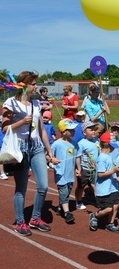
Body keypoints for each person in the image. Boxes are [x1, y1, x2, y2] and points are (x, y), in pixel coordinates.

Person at [2, 71, 59, 236]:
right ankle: (20, 222)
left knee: (43, 185)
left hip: (36, 147)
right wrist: (21, 122)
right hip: (20, 148)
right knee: (21, 188)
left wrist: (50, 152)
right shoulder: (11, 103)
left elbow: (41, 130)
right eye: (33, 84)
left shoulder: (36, 103)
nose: (36, 86)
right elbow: (5, 128)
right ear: (24, 85)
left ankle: (35, 218)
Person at [89, 132, 119, 233]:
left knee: (115, 206)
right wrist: (114, 171)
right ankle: (94, 216)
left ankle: (110, 224)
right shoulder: (102, 158)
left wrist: (117, 177)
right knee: (108, 209)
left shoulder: (109, 156)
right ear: (108, 144)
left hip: (112, 187)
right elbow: (100, 174)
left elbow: (113, 169)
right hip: (104, 189)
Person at [52, 119, 80, 223]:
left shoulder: (75, 144)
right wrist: (52, 159)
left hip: (70, 174)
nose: (73, 132)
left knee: (68, 191)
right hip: (60, 173)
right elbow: (49, 156)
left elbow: (77, 157)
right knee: (63, 191)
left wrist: (78, 168)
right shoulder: (56, 144)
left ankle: (61, 207)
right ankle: (67, 213)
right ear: (63, 132)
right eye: (70, 130)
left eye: (73, 130)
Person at [75, 121, 98, 210]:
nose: (93, 131)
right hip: (85, 169)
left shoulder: (96, 141)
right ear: (84, 132)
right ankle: (79, 201)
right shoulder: (81, 143)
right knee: (81, 186)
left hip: (95, 168)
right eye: (91, 130)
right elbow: (78, 157)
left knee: (95, 185)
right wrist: (79, 169)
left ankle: (99, 201)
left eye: (94, 130)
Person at [0, 115, 8, 180]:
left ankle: (5, 170)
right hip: (1, 146)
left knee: (5, 159)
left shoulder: (5, 129)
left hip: (4, 145)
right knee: (1, 160)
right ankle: (2, 173)